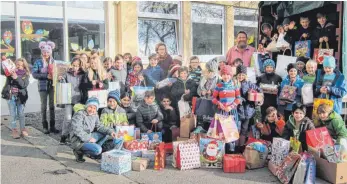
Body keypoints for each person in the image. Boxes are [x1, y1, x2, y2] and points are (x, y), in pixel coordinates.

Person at [70, 97, 117, 163]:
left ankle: (93, 149)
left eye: (94, 108)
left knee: (106, 133)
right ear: (86, 106)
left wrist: (111, 131)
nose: (92, 110)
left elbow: (99, 126)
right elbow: (77, 130)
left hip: (88, 136)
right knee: (98, 150)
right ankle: (79, 151)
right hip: (78, 140)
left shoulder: (95, 115)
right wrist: (89, 138)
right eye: (90, 107)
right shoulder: (79, 114)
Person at [212, 65, 241, 153]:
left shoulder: (235, 85)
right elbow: (213, 98)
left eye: (228, 74)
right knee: (222, 131)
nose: (226, 76)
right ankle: (221, 151)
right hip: (221, 112)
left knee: (231, 131)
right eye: (224, 74)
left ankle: (231, 150)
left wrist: (231, 106)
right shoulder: (219, 86)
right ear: (221, 75)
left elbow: (239, 99)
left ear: (231, 75)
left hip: (231, 112)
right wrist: (219, 104)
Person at [32, 41, 59, 134]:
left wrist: (57, 76)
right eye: (44, 52)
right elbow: (34, 74)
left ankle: (52, 126)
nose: (46, 54)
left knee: (52, 106)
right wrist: (45, 76)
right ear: (42, 52)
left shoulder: (54, 62)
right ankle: (44, 126)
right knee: (43, 106)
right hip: (42, 86)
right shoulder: (38, 62)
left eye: (48, 52)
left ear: (51, 52)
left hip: (52, 86)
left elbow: (58, 72)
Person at [58, 57, 85, 144]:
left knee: (77, 119)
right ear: (71, 65)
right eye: (74, 65)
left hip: (79, 100)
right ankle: (64, 136)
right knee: (68, 118)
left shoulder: (83, 74)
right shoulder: (67, 74)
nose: (75, 67)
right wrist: (60, 79)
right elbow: (63, 84)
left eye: (77, 66)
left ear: (80, 66)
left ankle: (73, 136)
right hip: (69, 99)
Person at [1, 58, 30, 138]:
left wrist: (16, 77)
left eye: (21, 65)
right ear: (14, 64)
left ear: (24, 66)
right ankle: (14, 130)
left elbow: (23, 85)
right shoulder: (9, 72)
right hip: (11, 96)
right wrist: (4, 63)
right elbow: (2, 71)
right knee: (13, 114)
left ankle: (23, 129)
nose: (18, 66)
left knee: (21, 113)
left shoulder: (25, 74)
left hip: (21, 97)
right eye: (17, 64)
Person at [236, 65, 262, 149]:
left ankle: (241, 146)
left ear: (245, 75)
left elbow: (259, 91)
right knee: (237, 128)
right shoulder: (233, 83)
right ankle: (235, 147)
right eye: (239, 75)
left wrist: (259, 99)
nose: (240, 76)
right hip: (236, 110)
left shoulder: (250, 84)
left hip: (248, 110)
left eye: (242, 75)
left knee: (244, 129)